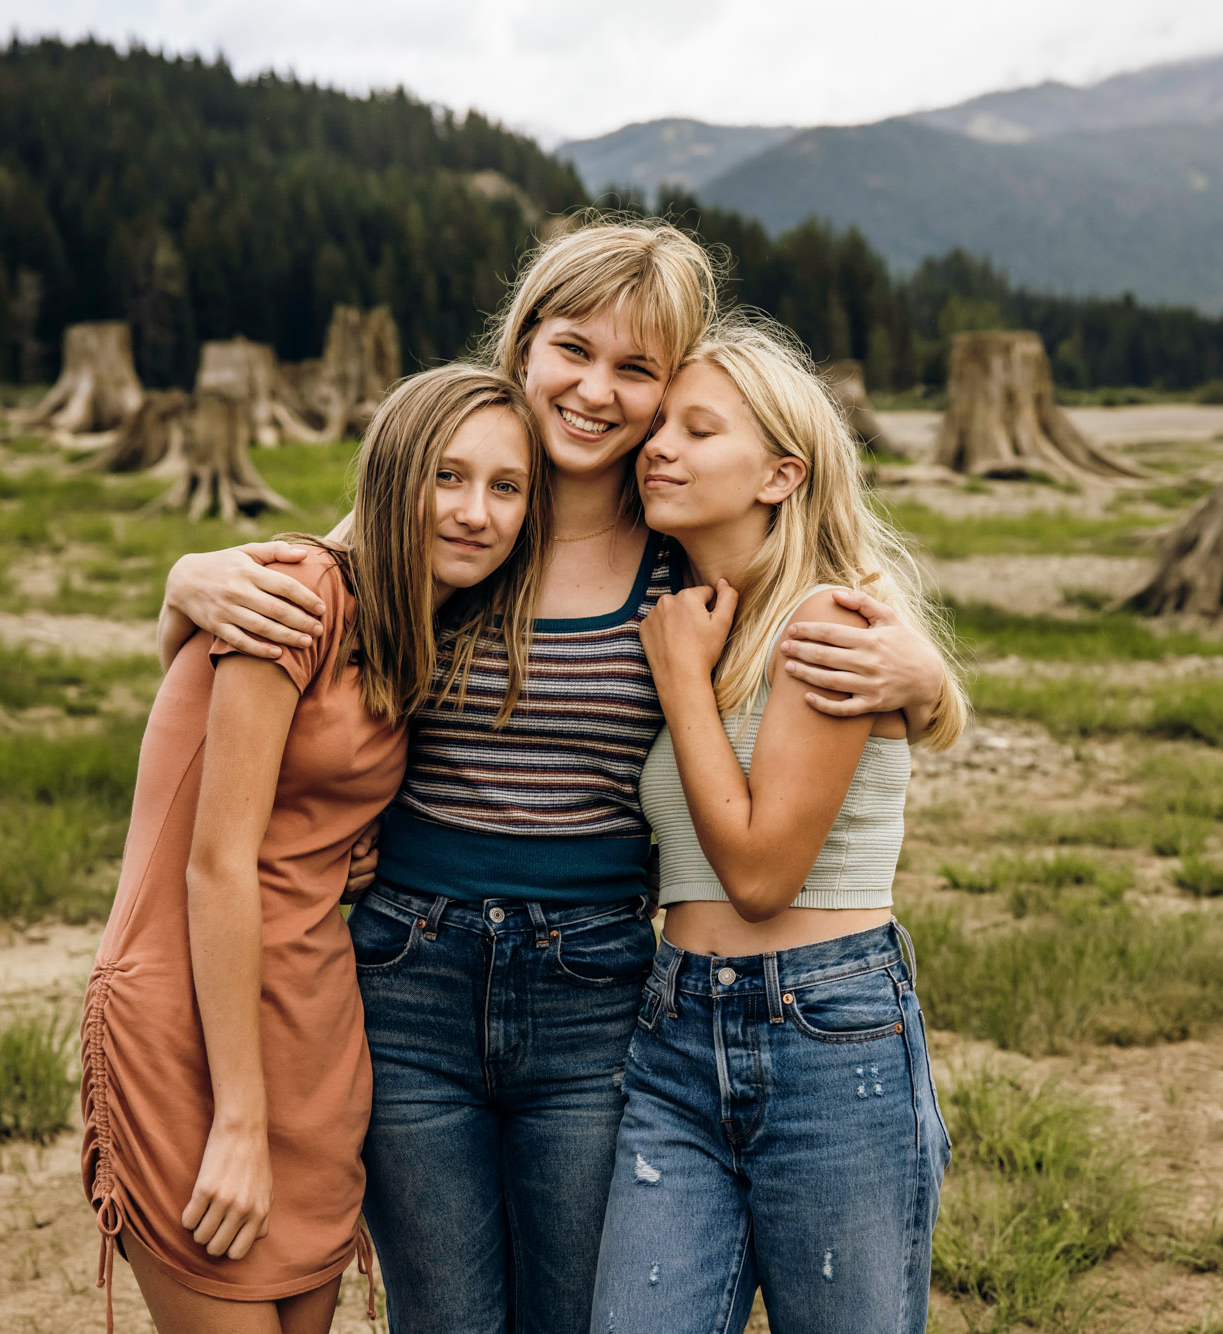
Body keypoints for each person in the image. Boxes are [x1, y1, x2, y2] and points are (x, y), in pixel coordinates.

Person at [154, 216, 961, 1334]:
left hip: (595, 982)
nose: (596, 390)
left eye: (638, 370)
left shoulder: (681, 541)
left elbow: (822, 616)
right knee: (444, 1315)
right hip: (407, 968)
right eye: (571, 350)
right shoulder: (462, 513)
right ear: (522, 344)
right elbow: (309, 592)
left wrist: (926, 683)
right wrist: (185, 580)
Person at [80, 364, 547, 1334]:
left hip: (311, 1016)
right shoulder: (293, 594)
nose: (474, 512)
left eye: (505, 488)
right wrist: (238, 1122)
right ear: (391, 472)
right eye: (446, 476)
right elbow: (218, 861)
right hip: (195, 1030)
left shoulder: (409, 622)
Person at [593, 317, 962, 1334]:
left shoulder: (823, 622)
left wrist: (678, 681)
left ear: (779, 473)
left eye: (698, 429)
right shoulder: (688, 606)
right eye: (657, 424)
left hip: (823, 1035)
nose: (658, 445)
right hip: (671, 1033)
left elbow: (758, 871)